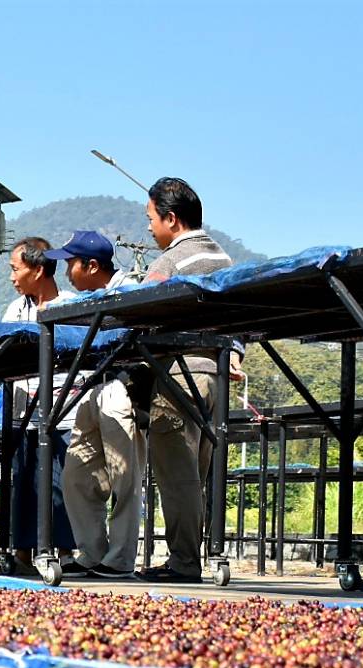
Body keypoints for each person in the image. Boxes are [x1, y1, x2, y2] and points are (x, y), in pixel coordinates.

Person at [140, 177, 235, 582]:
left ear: (171, 219)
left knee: (177, 477)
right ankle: (198, 557)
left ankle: (183, 563)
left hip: (177, 375)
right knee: (198, 474)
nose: (148, 227)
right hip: (214, 374)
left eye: (150, 219)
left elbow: (136, 308)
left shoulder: (169, 262)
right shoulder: (225, 259)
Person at [47, 230, 144, 577]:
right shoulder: (86, 299)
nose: (66, 270)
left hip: (120, 384)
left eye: (70, 263)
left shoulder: (128, 289)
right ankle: (92, 552)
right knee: (76, 474)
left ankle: (119, 560)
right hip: (91, 386)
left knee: (125, 476)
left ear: (91, 266)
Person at [0, 237, 76, 570]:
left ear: (39, 269)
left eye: (16, 269)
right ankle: (22, 552)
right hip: (24, 409)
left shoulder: (73, 305)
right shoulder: (16, 310)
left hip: (66, 409)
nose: (13, 277)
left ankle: (66, 549)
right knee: (25, 480)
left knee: (65, 481)